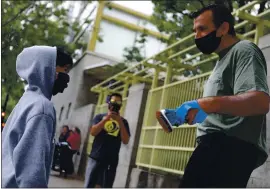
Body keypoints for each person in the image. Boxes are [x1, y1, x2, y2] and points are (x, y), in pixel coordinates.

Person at [160, 4, 269, 188]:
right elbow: (222, 108)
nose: (197, 36)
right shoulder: (220, 63)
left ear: (224, 28)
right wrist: (192, 112)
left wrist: (207, 104)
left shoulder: (244, 50)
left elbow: (260, 101)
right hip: (214, 147)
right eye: (195, 31)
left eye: (202, 29)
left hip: (227, 149)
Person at [1, 46, 73, 187]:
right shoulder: (43, 108)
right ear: (48, 68)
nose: (67, 78)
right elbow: (32, 173)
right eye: (64, 70)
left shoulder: (27, 100)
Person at [84, 93, 131, 188]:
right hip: (96, 157)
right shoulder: (99, 117)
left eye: (118, 102)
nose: (116, 104)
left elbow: (126, 140)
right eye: (114, 101)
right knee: (90, 185)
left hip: (111, 160)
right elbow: (93, 132)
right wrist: (107, 119)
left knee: (106, 186)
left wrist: (119, 121)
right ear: (109, 103)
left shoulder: (124, 122)